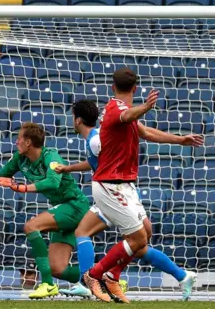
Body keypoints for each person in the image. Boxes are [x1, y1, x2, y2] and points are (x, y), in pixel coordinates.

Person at [63, 71, 203, 303]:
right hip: (110, 185)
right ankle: (94, 275)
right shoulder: (116, 109)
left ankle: (113, 276)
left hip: (124, 185)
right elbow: (127, 115)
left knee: (145, 234)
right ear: (136, 89)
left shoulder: (120, 112)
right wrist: (146, 107)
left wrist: (180, 139)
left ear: (111, 86)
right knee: (136, 239)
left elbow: (145, 132)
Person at [0, 122, 89, 299]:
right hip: (61, 209)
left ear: (28, 142)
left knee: (31, 226)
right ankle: (101, 278)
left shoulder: (51, 156)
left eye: (19, 139)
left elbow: (54, 182)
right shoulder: (20, 159)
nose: (16, 142)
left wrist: (22, 188)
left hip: (75, 206)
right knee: (58, 269)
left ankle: (47, 285)